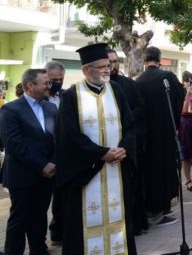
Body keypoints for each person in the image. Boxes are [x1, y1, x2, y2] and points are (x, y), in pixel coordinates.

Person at [55, 43, 137, 254]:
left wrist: (123, 149)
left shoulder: (116, 91)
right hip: (86, 172)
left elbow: (130, 125)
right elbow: (69, 136)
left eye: (108, 65)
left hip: (117, 169)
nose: (108, 70)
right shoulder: (72, 96)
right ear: (86, 70)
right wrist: (101, 154)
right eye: (102, 66)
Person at [0, 69, 57, 255]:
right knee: (20, 218)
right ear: (30, 86)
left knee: (39, 215)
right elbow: (13, 144)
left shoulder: (51, 108)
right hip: (22, 174)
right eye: (45, 83)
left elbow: (58, 139)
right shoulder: (10, 110)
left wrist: (53, 163)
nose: (50, 86)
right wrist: (42, 165)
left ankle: (38, 249)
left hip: (48, 175)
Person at [136, 46, 183, 227]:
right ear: (160, 59)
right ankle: (161, 210)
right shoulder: (168, 77)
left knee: (151, 172)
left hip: (148, 137)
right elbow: (179, 101)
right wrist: (176, 126)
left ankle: (155, 208)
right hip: (166, 133)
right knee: (166, 170)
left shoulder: (138, 81)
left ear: (143, 61)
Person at [107, 49, 148, 235]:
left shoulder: (129, 85)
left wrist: (124, 118)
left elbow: (140, 107)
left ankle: (133, 225)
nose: (112, 65)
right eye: (109, 62)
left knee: (131, 185)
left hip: (129, 143)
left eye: (115, 61)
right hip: (106, 148)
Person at [43, 60, 66, 244]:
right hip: (43, 158)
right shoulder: (38, 98)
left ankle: (58, 233)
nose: (57, 83)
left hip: (63, 155)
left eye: (60, 79)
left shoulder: (66, 96)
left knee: (61, 198)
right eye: (54, 80)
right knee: (40, 203)